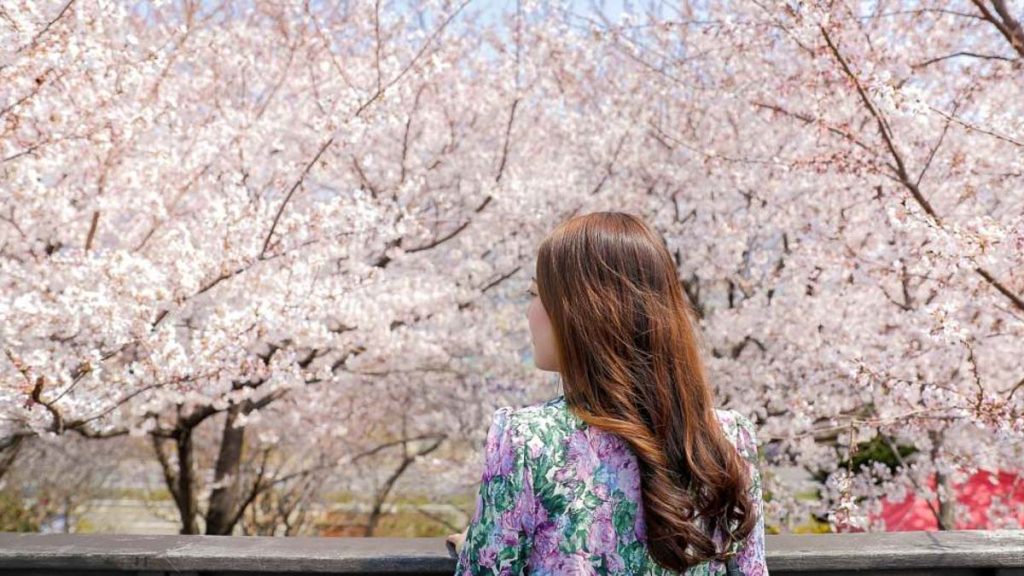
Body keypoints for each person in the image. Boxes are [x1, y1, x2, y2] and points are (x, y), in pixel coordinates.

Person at [446, 211, 768, 575]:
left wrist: (477, 546)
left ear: (582, 312)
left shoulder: (528, 440)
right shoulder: (727, 438)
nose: (529, 311)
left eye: (536, 293)